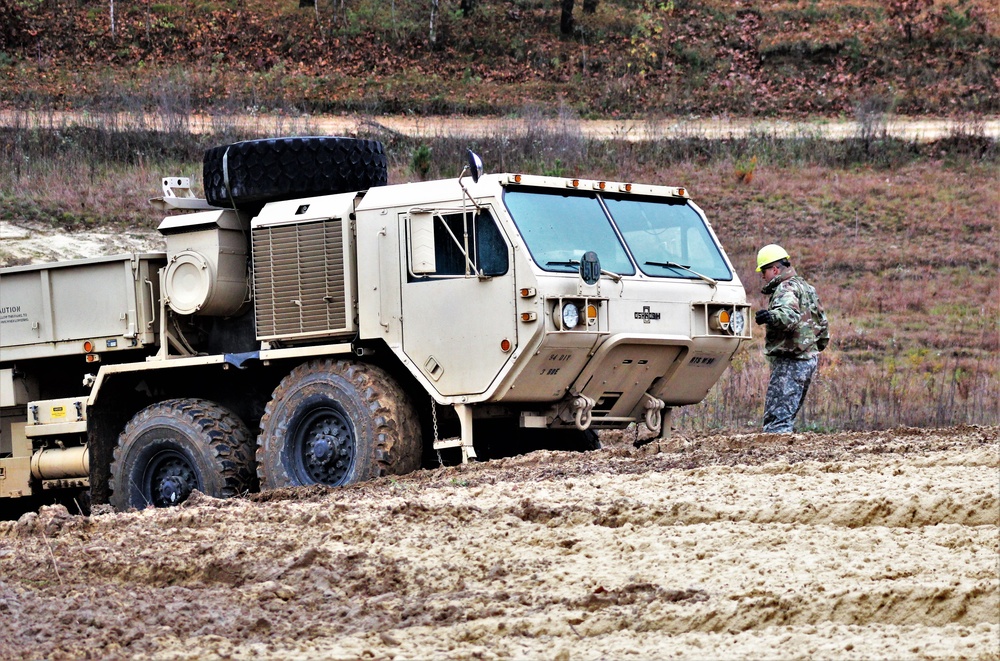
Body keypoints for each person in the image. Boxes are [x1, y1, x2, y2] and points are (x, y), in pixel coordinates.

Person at [754, 244, 829, 433]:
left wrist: (770, 317)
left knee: (776, 424)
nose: (762, 276)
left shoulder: (785, 288)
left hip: (791, 361)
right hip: (808, 359)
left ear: (775, 270)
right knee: (786, 418)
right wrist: (812, 350)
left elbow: (788, 316)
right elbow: (822, 324)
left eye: (763, 271)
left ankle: (776, 461)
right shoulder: (806, 287)